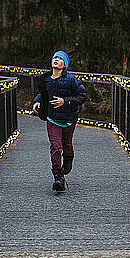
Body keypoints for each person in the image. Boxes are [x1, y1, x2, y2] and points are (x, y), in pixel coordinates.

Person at [32, 50, 87, 191]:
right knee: (56, 147)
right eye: (54, 57)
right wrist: (38, 101)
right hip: (53, 118)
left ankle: (68, 160)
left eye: (60, 59)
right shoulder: (46, 79)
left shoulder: (72, 80)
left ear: (64, 65)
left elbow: (82, 96)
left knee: (67, 145)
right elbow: (43, 94)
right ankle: (58, 177)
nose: (56, 60)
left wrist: (65, 101)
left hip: (69, 118)